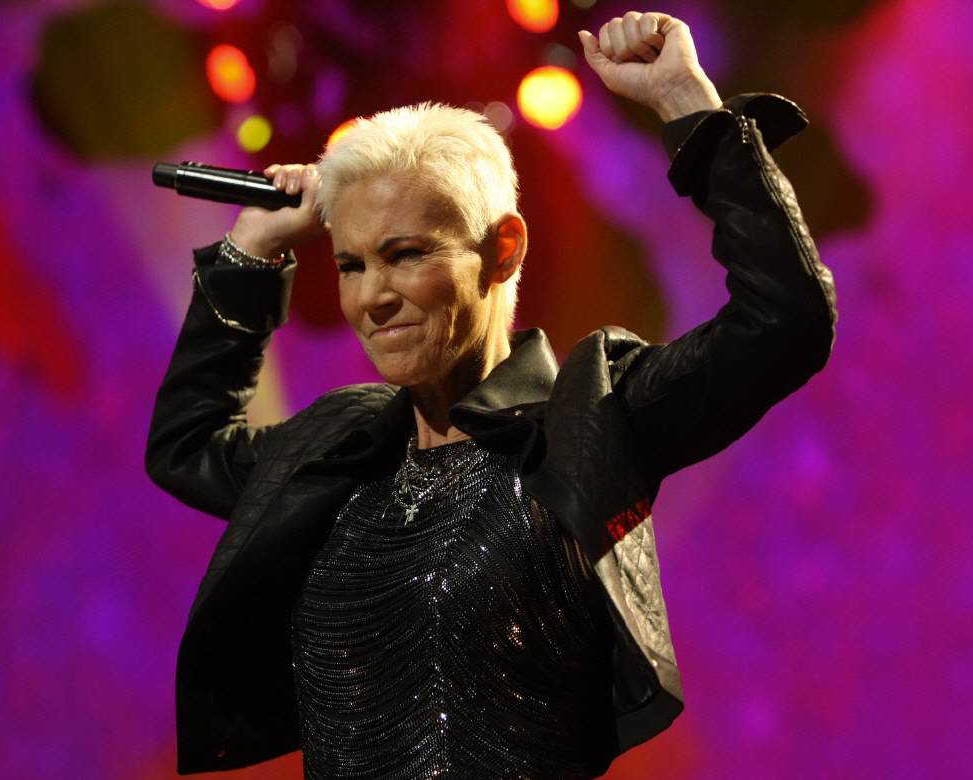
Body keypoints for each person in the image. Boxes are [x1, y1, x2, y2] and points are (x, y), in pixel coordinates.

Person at [146, 9, 837, 778]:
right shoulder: (339, 449)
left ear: (502, 250)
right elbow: (186, 447)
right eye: (351, 265)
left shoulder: (591, 414)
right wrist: (250, 253)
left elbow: (785, 319)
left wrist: (686, 103)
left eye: (406, 255)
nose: (372, 296)